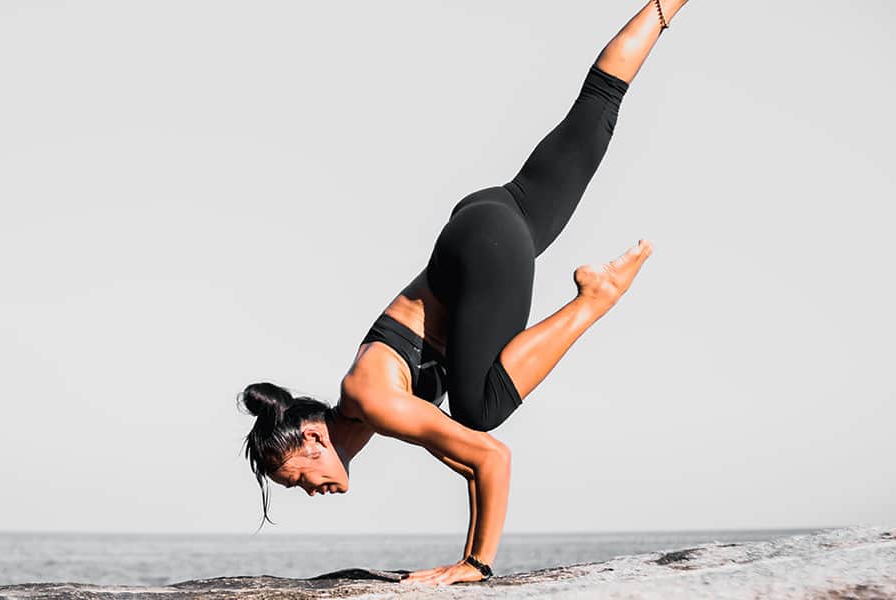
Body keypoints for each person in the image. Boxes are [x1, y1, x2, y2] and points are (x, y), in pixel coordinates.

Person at [237, 0, 688, 586]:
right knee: (596, 108)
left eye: (298, 477)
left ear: (315, 437)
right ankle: (665, 5)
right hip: (487, 221)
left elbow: (488, 457)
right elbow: (456, 457)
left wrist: (473, 565)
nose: (310, 491)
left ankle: (593, 299)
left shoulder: (369, 399)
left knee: (479, 410)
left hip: (485, 250)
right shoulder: (366, 409)